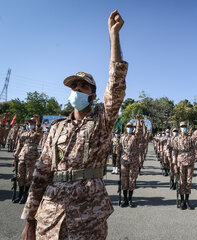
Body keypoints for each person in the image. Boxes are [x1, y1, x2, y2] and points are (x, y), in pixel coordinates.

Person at [20, 10, 127, 240]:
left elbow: (116, 83)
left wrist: (114, 36)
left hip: (87, 216)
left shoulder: (102, 121)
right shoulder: (57, 127)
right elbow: (41, 174)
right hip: (49, 216)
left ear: (93, 95)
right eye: (74, 86)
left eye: (83, 86)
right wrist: (29, 220)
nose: (77, 89)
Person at [172, 120, 197, 210]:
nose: (183, 128)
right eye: (182, 127)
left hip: (190, 162)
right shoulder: (176, 139)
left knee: (189, 181)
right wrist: (174, 163)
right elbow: (174, 151)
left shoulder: (190, 138)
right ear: (179, 128)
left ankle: (187, 200)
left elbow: (196, 134)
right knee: (182, 181)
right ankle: (182, 200)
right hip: (180, 162)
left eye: (185, 127)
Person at [12, 116, 42, 204]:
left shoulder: (37, 133)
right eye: (29, 123)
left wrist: (38, 121)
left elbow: (39, 130)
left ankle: (25, 195)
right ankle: (20, 194)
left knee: (28, 177)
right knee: (20, 176)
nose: (30, 125)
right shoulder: (23, 134)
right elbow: (19, 146)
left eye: (32, 123)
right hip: (22, 157)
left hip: (31, 158)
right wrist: (15, 157)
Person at [117, 118, 143, 208]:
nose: (129, 128)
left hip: (133, 162)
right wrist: (117, 162)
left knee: (131, 180)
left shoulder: (135, 137)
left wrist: (138, 122)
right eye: (128, 127)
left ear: (133, 128)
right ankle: (125, 200)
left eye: (131, 127)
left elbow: (139, 132)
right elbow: (119, 150)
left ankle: (130, 199)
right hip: (124, 161)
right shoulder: (122, 137)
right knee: (124, 181)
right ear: (126, 128)